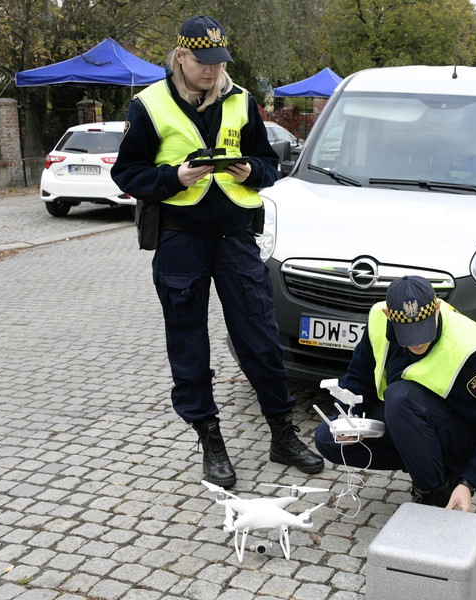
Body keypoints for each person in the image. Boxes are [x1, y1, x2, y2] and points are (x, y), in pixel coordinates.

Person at [111, 15, 323, 489]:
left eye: (218, 62)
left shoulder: (243, 101)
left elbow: (272, 164)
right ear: (181, 57)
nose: (212, 71)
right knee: (188, 344)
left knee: (261, 338)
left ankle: (282, 435)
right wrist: (172, 179)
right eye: (203, 62)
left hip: (234, 238)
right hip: (179, 239)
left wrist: (253, 172)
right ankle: (210, 441)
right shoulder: (148, 105)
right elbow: (126, 173)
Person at [313, 276, 476, 512]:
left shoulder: (473, 351)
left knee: (400, 397)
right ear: (388, 316)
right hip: (411, 423)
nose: (417, 343)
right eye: (408, 334)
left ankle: (435, 493)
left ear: (437, 309)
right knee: (328, 436)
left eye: (423, 330)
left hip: (459, 438)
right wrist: (348, 416)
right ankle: (423, 462)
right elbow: (358, 378)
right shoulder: (377, 319)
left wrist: (470, 481)